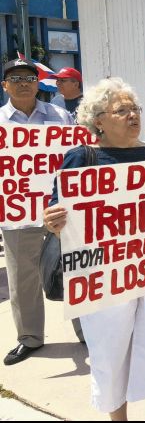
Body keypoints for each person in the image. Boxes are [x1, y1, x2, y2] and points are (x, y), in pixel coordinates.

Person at [42, 77, 145, 421]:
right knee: (110, 349)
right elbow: (59, 210)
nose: (132, 115)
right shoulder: (80, 158)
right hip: (103, 273)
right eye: (122, 110)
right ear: (97, 120)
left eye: (135, 109)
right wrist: (53, 221)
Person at [0, 59, 76, 366]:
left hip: (60, 211)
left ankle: (88, 330)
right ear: (5, 85)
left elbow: (75, 157)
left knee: (74, 270)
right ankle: (30, 337)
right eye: (15, 77)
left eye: (29, 77)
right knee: (23, 279)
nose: (23, 82)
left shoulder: (60, 116)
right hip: (18, 214)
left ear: (38, 82)